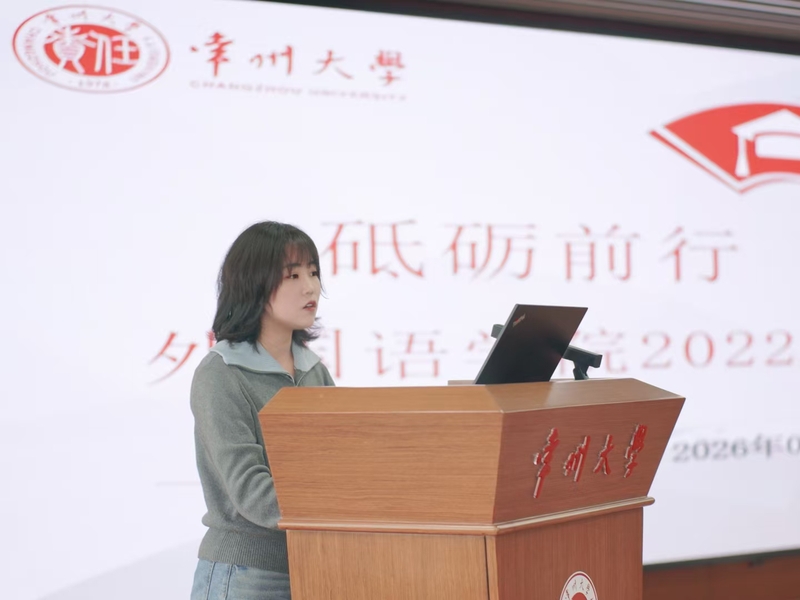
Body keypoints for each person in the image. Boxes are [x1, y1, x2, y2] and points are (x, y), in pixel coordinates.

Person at [189, 221, 335, 600]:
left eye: (313, 272)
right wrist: (336, 505)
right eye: (293, 275)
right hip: (244, 572)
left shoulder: (313, 370)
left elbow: (338, 463)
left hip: (313, 563)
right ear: (253, 284)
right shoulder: (221, 372)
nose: (310, 287)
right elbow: (250, 490)